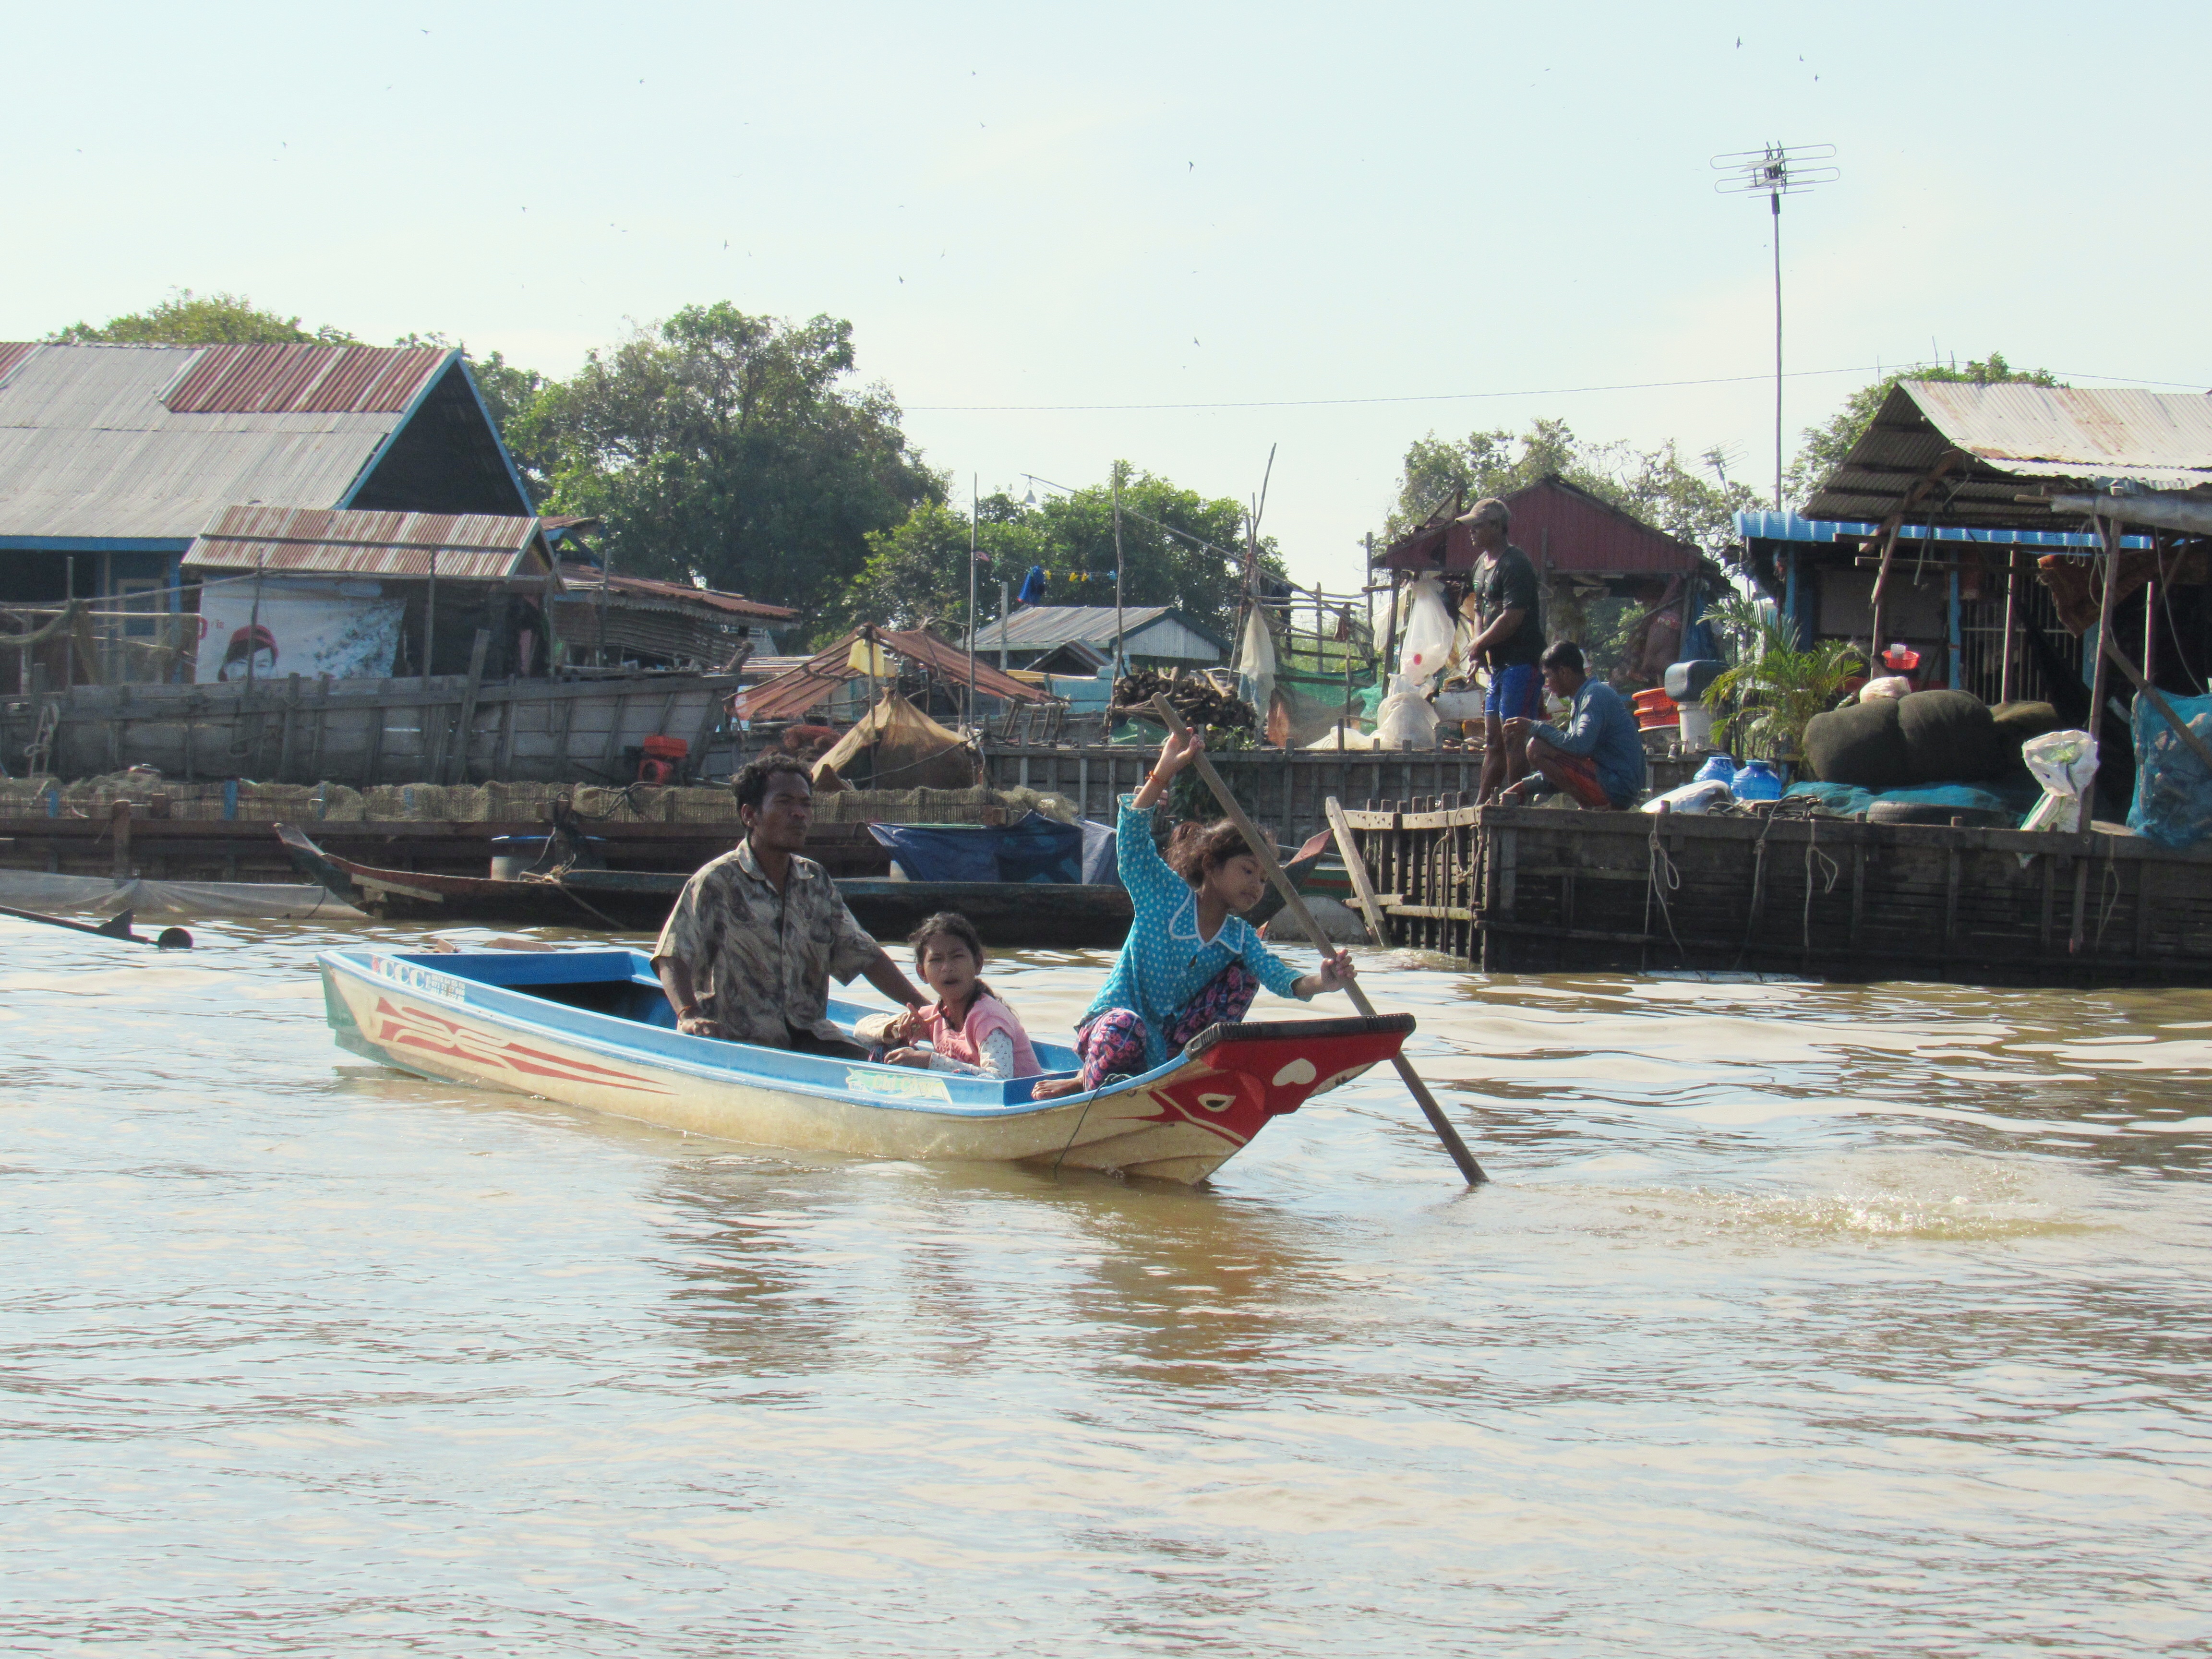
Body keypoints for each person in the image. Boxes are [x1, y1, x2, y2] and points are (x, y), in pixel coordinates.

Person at [1033, 731, 1358, 1099]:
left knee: (1243, 977)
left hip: (1165, 1046)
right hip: (1112, 1031)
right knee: (1127, 1027)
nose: (1257, 886)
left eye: (1265, 879)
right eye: (1248, 871)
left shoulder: (1239, 937)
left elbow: (1280, 977)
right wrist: (1163, 771)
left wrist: (1324, 982)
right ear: (1211, 865)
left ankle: (1181, 1076)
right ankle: (1085, 1081)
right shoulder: (1167, 898)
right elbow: (1133, 846)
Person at [652, 754, 927, 1056]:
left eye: (806, 804)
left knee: (888, 1062)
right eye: (784, 803)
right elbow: (672, 956)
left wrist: (926, 1010)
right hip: (733, 1039)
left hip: (809, 1035)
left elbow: (865, 955)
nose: (799, 814)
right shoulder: (716, 882)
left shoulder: (815, 881)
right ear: (750, 815)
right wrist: (689, 1015)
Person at [854, 912, 1044, 1079]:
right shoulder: (935, 1016)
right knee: (883, 1050)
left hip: (1020, 1101)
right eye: (936, 960)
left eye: (958, 957)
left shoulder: (988, 1018)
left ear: (978, 964)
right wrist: (896, 1029)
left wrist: (930, 1061)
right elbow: (861, 1030)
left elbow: (1000, 1078)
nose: (947, 968)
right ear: (922, 973)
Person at [1458, 497, 1547, 803]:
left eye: (1477, 526)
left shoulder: (1515, 564)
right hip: (1499, 667)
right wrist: (1478, 646)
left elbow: (1513, 617)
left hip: (1522, 663)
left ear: (1497, 527)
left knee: (1514, 738)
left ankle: (1516, 803)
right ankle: (1482, 805)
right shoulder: (1480, 567)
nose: (1471, 532)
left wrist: (1480, 643)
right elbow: (1479, 612)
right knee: (1494, 740)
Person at [1501, 640, 1647, 811]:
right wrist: (1524, 787)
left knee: (1536, 748)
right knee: (1541, 748)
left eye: (1548, 676)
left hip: (1618, 787)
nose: (1546, 684)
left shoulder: (1595, 696)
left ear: (1563, 672)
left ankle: (1590, 807)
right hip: (1613, 783)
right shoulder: (1584, 699)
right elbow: (1565, 767)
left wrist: (1535, 727)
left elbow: (1579, 746)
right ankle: (1593, 805)